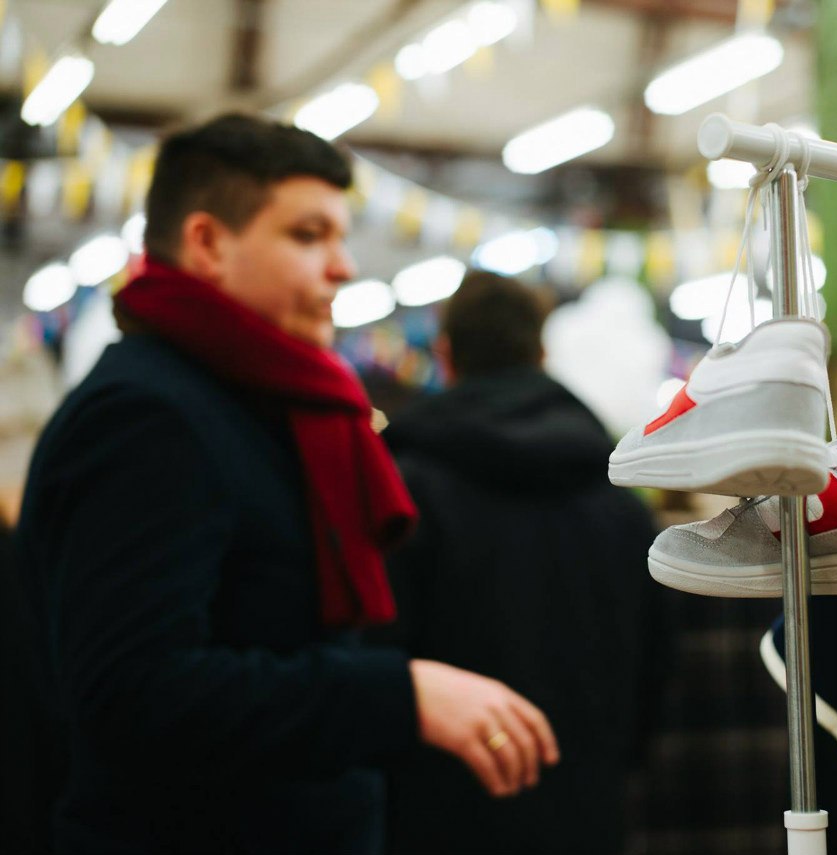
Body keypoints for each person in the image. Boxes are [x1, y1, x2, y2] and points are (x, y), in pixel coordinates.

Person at [14, 114, 558, 854]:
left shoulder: (267, 403)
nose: (342, 265)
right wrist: (398, 695)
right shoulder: (146, 416)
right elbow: (136, 692)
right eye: (308, 235)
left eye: (339, 236)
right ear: (207, 242)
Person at [373, 271, 667, 855]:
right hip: (586, 807)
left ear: (444, 354)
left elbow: (381, 654)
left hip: (434, 811)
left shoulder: (401, 496)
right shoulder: (620, 505)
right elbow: (655, 665)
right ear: (540, 352)